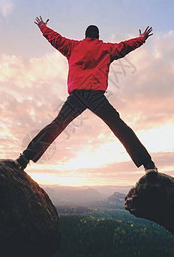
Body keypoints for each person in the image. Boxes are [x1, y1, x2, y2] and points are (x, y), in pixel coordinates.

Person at [13, 16, 157, 173]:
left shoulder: (73, 46)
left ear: (86, 35)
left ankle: (24, 159)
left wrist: (42, 26)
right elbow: (125, 46)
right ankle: (148, 165)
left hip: (77, 95)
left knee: (57, 125)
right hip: (96, 95)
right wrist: (141, 38)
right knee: (119, 127)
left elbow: (56, 39)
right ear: (98, 36)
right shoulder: (106, 48)